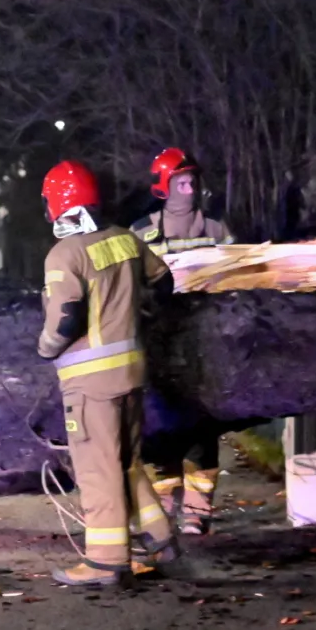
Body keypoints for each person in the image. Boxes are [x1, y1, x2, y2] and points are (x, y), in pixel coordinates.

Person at [38, 160, 179, 586]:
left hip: (90, 384)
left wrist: (44, 348)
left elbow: (64, 322)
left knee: (97, 468)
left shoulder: (65, 254)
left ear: (59, 206)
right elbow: (165, 282)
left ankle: (104, 561)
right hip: (133, 372)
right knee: (126, 461)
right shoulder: (125, 240)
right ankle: (160, 538)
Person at [131, 148, 234, 533]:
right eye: (181, 182)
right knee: (158, 431)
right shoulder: (140, 232)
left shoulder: (217, 231)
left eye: (193, 181)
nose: (189, 189)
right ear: (163, 187)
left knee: (203, 431)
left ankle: (196, 515)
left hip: (204, 341)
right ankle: (162, 513)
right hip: (157, 342)